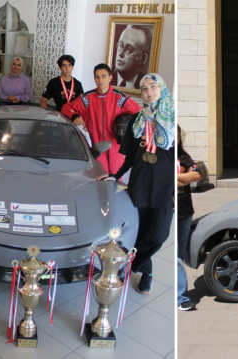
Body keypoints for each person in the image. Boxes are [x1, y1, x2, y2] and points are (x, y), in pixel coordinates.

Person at [99, 73, 174, 294]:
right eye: (144, 89)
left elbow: (178, 159)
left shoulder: (172, 119)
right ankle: (147, 273)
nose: (149, 92)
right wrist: (115, 174)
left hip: (165, 187)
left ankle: (128, 266)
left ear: (162, 88)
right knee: (139, 233)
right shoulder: (137, 119)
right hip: (140, 184)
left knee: (159, 235)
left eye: (153, 86)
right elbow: (130, 157)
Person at [61, 63, 140, 174]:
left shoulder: (120, 99)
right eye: (97, 77)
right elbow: (66, 107)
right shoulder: (87, 98)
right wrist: (74, 116)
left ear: (110, 78)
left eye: (103, 76)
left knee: (116, 178)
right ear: (94, 79)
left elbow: (139, 113)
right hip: (96, 147)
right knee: (98, 178)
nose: (100, 80)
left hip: (116, 148)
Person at [177, 125, 202, 311]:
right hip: (167, 208)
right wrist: (183, 177)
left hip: (184, 211)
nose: (175, 138)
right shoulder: (159, 155)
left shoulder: (184, 157)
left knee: (180, 254)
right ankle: (179, 297)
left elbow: (196, 175)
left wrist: (176, 177)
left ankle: (178, 295)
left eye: (177, 135)